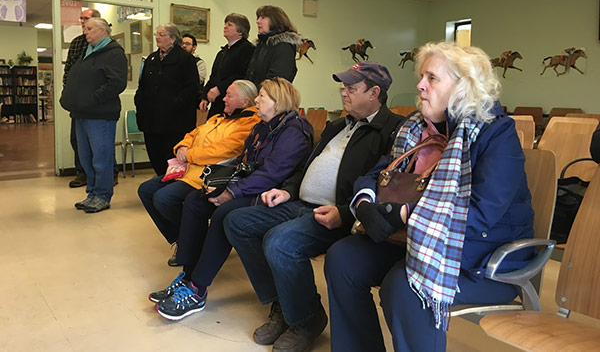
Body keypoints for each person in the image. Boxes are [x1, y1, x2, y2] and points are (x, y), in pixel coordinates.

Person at [324, 42, 535, 352]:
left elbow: (482, 213)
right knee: (343, 257)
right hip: (414, 240)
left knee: (406, 288)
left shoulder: (496, 134)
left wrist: (405, 214)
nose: (420, 85)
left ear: (464, 86)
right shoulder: (416, 129)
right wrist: (365, 204)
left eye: (432, 78)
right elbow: (377, 174)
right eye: (422, 76)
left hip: (481, 256)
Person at [225, 62, 403, 352]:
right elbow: (306, 167)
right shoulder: (337, 125)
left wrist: (345, 212)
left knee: (279, 242)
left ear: (374, 93)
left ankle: (307, 319)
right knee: (236, 222)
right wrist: (287, 190)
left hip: (334, 214)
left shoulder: (392, 129)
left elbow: (384, 184)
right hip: (299, 203)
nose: (343, 92)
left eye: (351, 88)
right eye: (343, 87)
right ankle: (284, 305)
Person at [151, 78, 314, 321]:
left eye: (262, 96)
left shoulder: (294, 131)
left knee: (224, 213)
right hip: (251, 185)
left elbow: (272, 174)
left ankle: (197, 288)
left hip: (275, 194)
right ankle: (187, 275)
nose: (256, 100)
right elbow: (244, 163)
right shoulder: (263, 126)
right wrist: (219, 185)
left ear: (278, 103)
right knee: (196, 200)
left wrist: (232, 193)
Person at [139, 80, 260, 265]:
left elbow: (223, 151)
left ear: (245, 102)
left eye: (229, 95)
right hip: (186, 169)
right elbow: (193, 134)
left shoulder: (249, 124)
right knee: (146, 190)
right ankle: (183, 239)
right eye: (225, 94)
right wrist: (182, 146)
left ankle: (192, 243)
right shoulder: (217, 118)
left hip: (206, 176)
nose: (224, 99)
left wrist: (189, 155)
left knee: (163, 198)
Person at [60, 18, 127, 213]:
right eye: (84, 29)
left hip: (100, 115)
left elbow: (116, 84)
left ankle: (103, 196)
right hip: (82, 113)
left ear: (102, 31)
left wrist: (91, 99)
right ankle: (92, 194)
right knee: (86, 157)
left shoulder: (114, 53)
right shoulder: (88, 52)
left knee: (101, 158)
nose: (85, 32)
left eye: (89, 29)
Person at [135, 23, 200, 176]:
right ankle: (159, 183)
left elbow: (192, 88)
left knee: (171, 159)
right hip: (151, 120)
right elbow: (142, 86)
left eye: (162, 34)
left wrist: (174, 103)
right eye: (157, 34)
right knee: (155, 155)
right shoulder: (151, 58)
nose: (157, 37)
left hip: (175, 121)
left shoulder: (185, 59)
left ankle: (169, 192)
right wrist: (140, 103)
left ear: (172, 38)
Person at [63, 8, 100, 188]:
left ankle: (108, 174)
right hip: (77, 101)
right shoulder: (77, 43)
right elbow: (68, 69)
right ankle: (82, 173)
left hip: (96, 102)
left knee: (99, 141)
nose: (82, 22)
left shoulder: (106, 45)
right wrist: (67, 91)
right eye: (81, 19)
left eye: (86, 19)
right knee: (77, 139)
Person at [199, 13, 255, 118]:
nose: (225, 27)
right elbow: (214, 76)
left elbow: (241, 75)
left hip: (234, 104)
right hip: (218, 102)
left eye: (230, 24)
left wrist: (219, 89)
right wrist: (204, 97)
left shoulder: (247, 49)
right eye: (225, 24)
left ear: (240, 30)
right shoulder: (223, 51)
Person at [245, 5, 301, 87]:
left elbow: (277, 81)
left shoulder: (284, 47)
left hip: (268, 98)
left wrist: (258, 96)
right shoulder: (261, 45)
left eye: (263, 18)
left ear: (275, 21)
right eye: (258, 17)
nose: (257, 21)